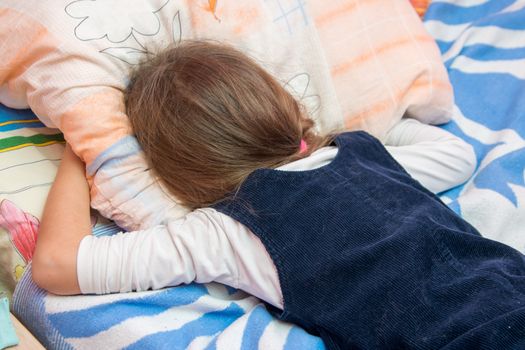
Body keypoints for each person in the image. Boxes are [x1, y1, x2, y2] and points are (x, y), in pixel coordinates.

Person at [32, 41, 525, 349]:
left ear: (176, 171)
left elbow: (58, 267)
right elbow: (454, 154)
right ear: (285, 105)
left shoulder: (228, 230)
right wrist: (340, 134)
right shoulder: (366, 155)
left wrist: (83, 150)